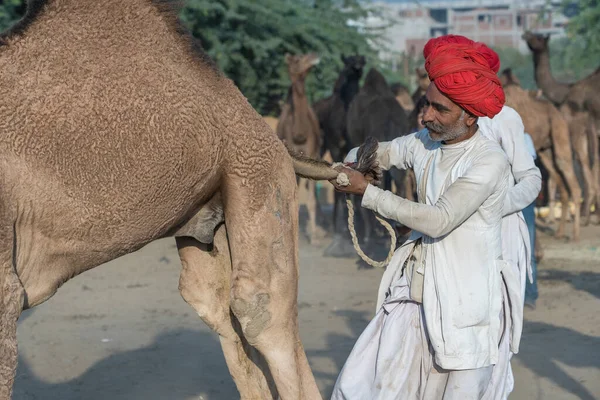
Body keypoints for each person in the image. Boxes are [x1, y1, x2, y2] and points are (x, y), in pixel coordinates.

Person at [329, 35, 523, 399]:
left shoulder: (488, 160)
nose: (427, 115)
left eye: (439, 110)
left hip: (465, 311)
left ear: (469, 115)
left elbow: (438, 220)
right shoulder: (425, 142)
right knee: (359, 388)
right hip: (414, 301)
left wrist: (367, 193)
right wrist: (359, 161)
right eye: (427, 105)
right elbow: (382, 152)